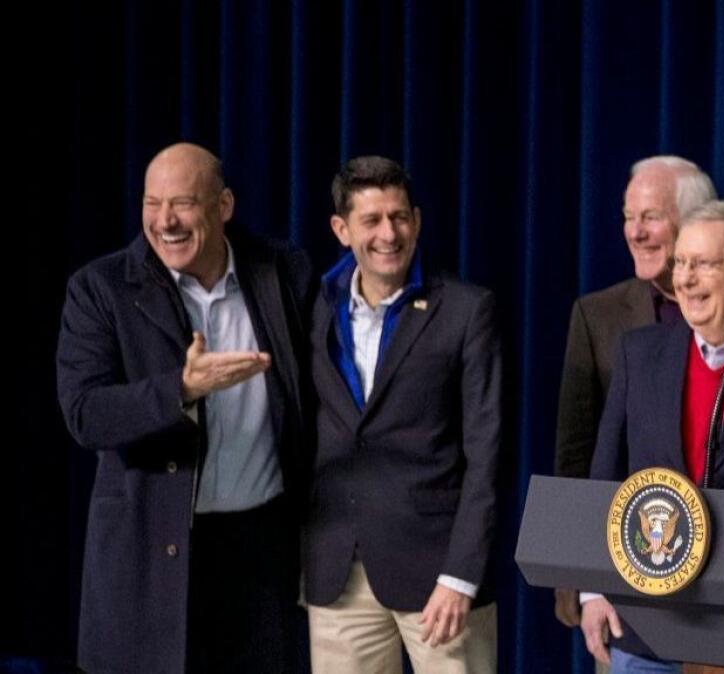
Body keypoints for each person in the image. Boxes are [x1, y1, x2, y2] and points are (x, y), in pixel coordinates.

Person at [57, 142, 313, 673]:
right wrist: (182, 388)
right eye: (152, 204)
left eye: (183, 204)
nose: (165, 221)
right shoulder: (100, 288)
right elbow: (85, 413)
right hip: (150, 554)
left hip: (260, 558)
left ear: (223, 207)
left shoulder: (283, 271)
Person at [580, 200, 724, 672]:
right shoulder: (639, 354)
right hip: (646, 623)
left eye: (702, 264)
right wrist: (593, 588)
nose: (683, 279)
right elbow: (606, 472)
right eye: (680, 263)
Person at [304, 156, 500, 673]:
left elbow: (488, 453)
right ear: (342, 230)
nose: (389, 234)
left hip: (440, 578)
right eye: (371, 220)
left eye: (400, 217)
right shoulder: (315, 308)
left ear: (416, 220)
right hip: (339, 575)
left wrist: (461, 576)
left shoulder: (465, 309)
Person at [554, 155, 716, 628]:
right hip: (628, 589)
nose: (635, 232)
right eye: (629, 217)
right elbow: (576, 460)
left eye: (651, 217)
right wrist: (588, 587)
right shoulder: (598, 315)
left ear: (695, 223)